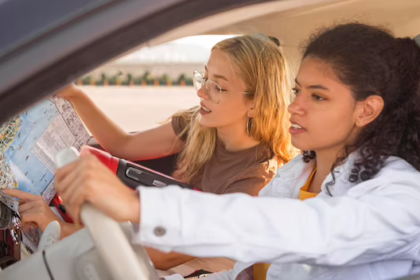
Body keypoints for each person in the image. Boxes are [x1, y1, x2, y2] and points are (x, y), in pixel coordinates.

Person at [53, 22, 420, 280]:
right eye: (297, 92)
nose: (294, 107)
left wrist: (138, 207)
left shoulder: (403, 197)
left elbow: (302, 230)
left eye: (318, 96)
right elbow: (247, 267)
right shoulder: (296, 173)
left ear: (366, 110)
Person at [4, 34, 294, 272]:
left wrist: (57, 228)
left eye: (218, 87)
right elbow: (124, 146)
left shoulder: (256, 182)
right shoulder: (200, 124)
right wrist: (75, 95)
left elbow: (161, 254)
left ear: (256, 104)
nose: (202, 93)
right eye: (204, 78)